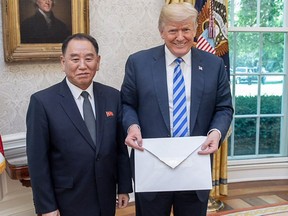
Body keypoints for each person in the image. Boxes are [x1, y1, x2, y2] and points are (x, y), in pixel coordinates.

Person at [121, 3, 233, 216]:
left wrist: (216, 132)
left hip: (195, 163)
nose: (180, 37)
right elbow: (127, 104)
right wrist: (132, 126)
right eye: (173, 30)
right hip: (151, 164)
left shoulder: (213, 65)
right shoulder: (138, 63)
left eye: (186, 29)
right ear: (162, 31)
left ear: (195, 31)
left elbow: (224, 108)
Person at [26, 33, 133, 216]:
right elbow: (37, 162)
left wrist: (123, 187)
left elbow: (120, 149)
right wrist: (47, 207)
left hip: (106, 197)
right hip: (67, 200)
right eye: (75, 59)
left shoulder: (112, 96)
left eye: (89, 58)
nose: (82, 65)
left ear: (98, 62)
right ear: (63, 62)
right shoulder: (42, 102)